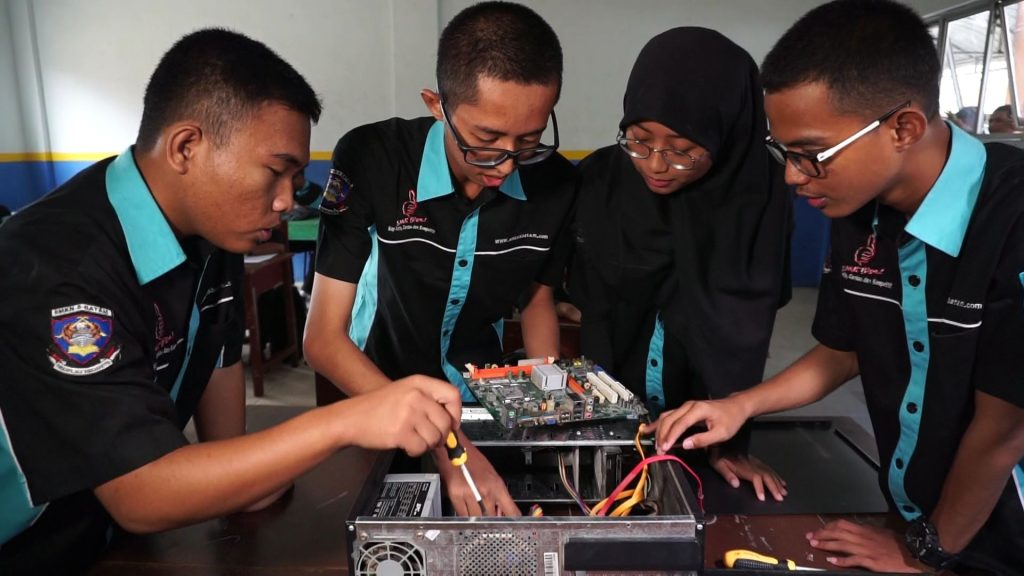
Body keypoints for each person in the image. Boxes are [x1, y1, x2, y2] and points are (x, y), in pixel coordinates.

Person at [0, 29, 461, 574]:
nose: (287, 201)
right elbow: (142, 494)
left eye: (295, 178)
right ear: (186, 147)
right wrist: (346, 421)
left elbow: (228, 454)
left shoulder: (213, 238)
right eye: (275, 171)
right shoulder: (57, 265)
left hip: (107, 540)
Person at [647, 1, 1024, 573]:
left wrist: (926, 552)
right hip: (917, 513)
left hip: (998, 534)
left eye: (811, 155)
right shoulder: (859, 207)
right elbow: (844, 351)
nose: (792, 175)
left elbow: (1003, 431)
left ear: (903, 129)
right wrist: (738, 406)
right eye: (784, 152)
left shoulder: (1010, 217)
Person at [304, 1, 575, 518]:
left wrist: (548, 415)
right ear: (437, 105)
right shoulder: (374, 158)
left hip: (478, 394)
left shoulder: (557, 184)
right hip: (374, 387)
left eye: (529, 140)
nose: (506, 164)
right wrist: (449, 448)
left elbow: (537, 301)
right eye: (485, 140)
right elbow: (323, 340)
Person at [569, 27, 792, 503]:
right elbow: (581, 298)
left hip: (707, 428)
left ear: (726, 132)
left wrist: (730, 441)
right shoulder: (602, 182)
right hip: (607, 423)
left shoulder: (762, 196)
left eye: (683, 150)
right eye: (638, 140)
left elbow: (749, 322)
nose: (655, 165)